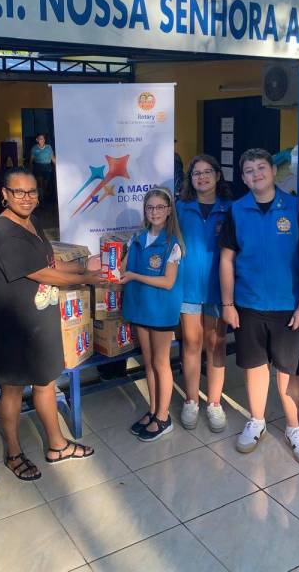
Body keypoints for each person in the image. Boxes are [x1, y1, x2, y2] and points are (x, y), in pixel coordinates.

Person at [0, 168, 101, 479]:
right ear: (4, 194)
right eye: (18, 191)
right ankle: (13, 453)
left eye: (32, 191)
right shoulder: (3, 233)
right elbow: (45, 274)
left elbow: (50, 262)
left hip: (39, 322)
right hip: (14, 326)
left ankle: (57, 446)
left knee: (46, 383)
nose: (26, 197)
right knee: (12, 390)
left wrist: (84, 266)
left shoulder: (31, 222)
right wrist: (89, 278)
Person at [219, 148, 299, 465]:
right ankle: (257, 421)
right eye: (249, 170)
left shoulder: (295, 207)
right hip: (248, 304)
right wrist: (228, 303)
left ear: (274, 171)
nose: (256, 174)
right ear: (243, 178)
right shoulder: (236, 211)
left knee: (289, 371)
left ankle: (293, 428)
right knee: (255, 367)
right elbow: (227, 259)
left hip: (288, 306)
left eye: (261, 167)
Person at [121, 187, 184, 441]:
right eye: (150, 207)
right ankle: (153, 410)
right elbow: (121, 268)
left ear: (168, 211)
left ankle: (163, 417)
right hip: (140, 307)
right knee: (148, 362)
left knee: (161, 362)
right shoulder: (136, 238)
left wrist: (134, 276)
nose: (154, 212)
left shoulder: (172, 244)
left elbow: (168, 282)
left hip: (160, 310)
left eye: (160, 207)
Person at [176, 154, 232, 432]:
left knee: (216, 345)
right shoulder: (180, 207)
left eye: (207, 171)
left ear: (218, 175)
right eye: (196, 173)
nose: (202, 177)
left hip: (218, 289)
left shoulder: (230, 209)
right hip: (187, 288)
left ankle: (214, 403)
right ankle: (191, 400)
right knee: (191, 343)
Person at [29, 133, 56, 201]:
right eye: (40, 139)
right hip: (38, 167)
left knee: (45, 184)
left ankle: (43, 195)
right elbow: (31, 160)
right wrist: (30, 169)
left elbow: (53, 158)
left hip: (47, 167)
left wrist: (57, 166)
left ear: (44, 140)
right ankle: (41, 198)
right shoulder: (34, 148)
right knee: (40, 183)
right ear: (37, 140)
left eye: (43, 139)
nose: (41, 140)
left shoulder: (48, 147)